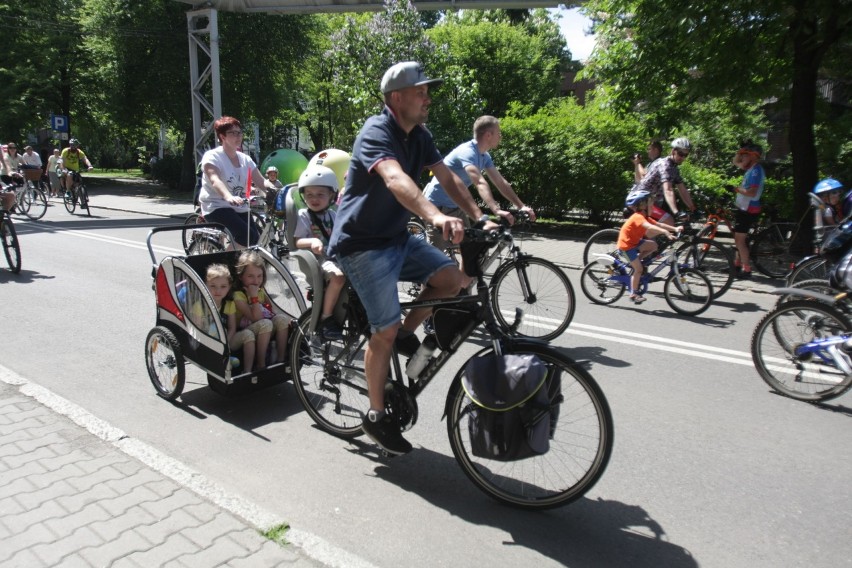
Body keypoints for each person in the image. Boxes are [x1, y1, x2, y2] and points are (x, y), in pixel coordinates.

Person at [327, 61, 495, 455]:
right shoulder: (376, 131)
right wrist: (434, 215)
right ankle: (374, 414)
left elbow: (448, 177)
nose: (428, 98)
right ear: (396, 97)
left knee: (452, 280)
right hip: (362, 244)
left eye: (427, 91)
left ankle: (403, 331)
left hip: (396, 238)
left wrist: (478, 217)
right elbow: (395, 178)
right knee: (382, 332)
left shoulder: (419, 134)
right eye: (421, 92)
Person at [423, 114, 535, 251]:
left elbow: (500, 181)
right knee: (435, 259)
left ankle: (466, 273)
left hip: (457, 207)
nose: (500, 136)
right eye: (498, 133)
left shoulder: (484, 156)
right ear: (488, 135)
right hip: (437, 206)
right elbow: (479, 182)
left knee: (471, 250)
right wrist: (496, 210)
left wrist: (521, 206)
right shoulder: (467, 152)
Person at [198, 116, 269, 247]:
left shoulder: (245, 159)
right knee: (245, 235)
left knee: (255, 239)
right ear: (222, 136)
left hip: (239, 206)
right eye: (233, 133)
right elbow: (215, 180)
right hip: (217, 206)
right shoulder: (212, 156)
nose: (238, 136)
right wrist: (228, 196)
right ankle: (227, 263)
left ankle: (239, 265)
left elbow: (261, 181)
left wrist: (279, 191)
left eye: (239, 132)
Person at [294, 165, 346, 340]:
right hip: (319, 261)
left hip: (334, 257)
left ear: (332, 195)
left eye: (320, 194)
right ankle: (326, 318)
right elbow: (297, 242)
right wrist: (312, 241)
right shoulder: (304, 215)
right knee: (338, 277)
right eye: (309, 194)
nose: (314, 199)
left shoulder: (332, 215)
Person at [618, 189, 681, 304]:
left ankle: (638, 261)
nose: (653, 207)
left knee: (653, 246)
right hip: (626, 246)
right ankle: (633, 294)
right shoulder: (638, 217)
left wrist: (675, 229)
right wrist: (665, 232)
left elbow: (659, 224)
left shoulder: (645, 216)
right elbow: (649, 227)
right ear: (643, 206)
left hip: (634, 243)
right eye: (651, 204)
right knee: (639, 269)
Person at [232, 250, 291, 369]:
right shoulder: (238, 296)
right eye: (250, 276)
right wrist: (254, 297)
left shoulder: (260, 291)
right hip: (244, 332)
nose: (256, 281)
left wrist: (288, 320)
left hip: (263, 326)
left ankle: (281, 360)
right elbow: (256, 318)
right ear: (241, 276)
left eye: (259, 276)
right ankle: (260, 364)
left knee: (282, 319)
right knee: (265, 324)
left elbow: (273, 311)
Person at [633, 138, 697, 225]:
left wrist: (693, 208)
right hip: (641, 202)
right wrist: (676, 212)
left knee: (664, 227)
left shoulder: (673, 168)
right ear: (673, 151)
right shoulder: (665, 165)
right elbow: (668, 190)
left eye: (685, 155)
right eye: (680, 154)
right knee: (669, 221)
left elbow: (683, 190)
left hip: (650, 202)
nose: (682, 157)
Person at [727, 141, 765, 279]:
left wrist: (735, 189)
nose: (742, 158)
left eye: (745, 156)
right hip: (743, 208)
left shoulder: (755, 171)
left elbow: (752, 192)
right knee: (738, 239)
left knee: (740, 241)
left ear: (753, 157)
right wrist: (741, 151)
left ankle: (746, 269)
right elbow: (735, 161)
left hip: (748, 209)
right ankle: (736, 265)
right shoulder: (751, 168)